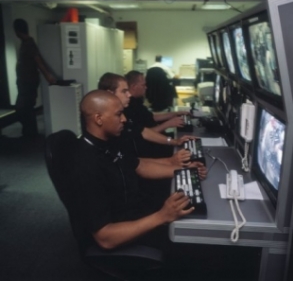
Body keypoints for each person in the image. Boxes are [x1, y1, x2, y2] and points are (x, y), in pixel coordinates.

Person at [74, 90, 207, 259]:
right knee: (197, 247)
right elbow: (105, 238)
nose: (123, 119)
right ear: (98, 119)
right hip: (125, 231)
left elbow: (140, 165)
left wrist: (183, 170)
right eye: (118, 114)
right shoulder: (86, 164)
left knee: (192, 221)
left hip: (137, 210)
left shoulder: (107, 143)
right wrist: (162, 216)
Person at [98, 72, 193, 165]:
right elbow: (135, 162)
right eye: (124, 91)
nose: (129, 95)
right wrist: (170, 161)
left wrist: (174, 142)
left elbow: (142, 131)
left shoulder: (129, 109)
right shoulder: (112, 129)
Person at [13, 18, 56, 138]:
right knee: (26, 108)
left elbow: (38, 61)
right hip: (24, 83)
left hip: (28, 83)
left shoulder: (29, 44)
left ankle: (30, 133)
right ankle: (29, 132)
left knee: (22, 108)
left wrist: (48, 76)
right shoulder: (25, 43)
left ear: (17, 31)